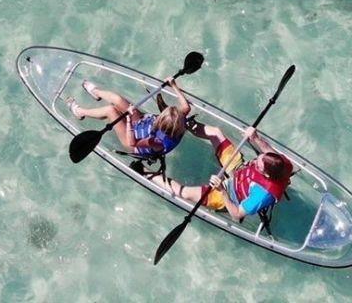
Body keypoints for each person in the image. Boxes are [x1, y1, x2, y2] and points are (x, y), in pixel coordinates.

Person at [150, 123, 294, 223]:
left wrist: (223, 190)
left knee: (185, 193)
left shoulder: (262, 195)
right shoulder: (283, 163)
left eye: (258, 165)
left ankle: (145, 174)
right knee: (216, 133)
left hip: (232, 195)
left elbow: (236, 215)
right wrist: (256, 138)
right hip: (239, 170)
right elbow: (268, 151)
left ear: (267, 175)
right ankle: (182, 124)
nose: (255, 161)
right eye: (258, 158)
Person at [66, 76, 192, 158]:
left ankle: (80, 112)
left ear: (160, 122)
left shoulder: (157, 142)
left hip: (132, 140)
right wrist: (173, 85)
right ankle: (96, 92)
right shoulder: (179, 121)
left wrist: (127, 119)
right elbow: (186, 107)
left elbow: (133, 142)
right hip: (142, 123)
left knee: (111, 111)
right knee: (118, 100)